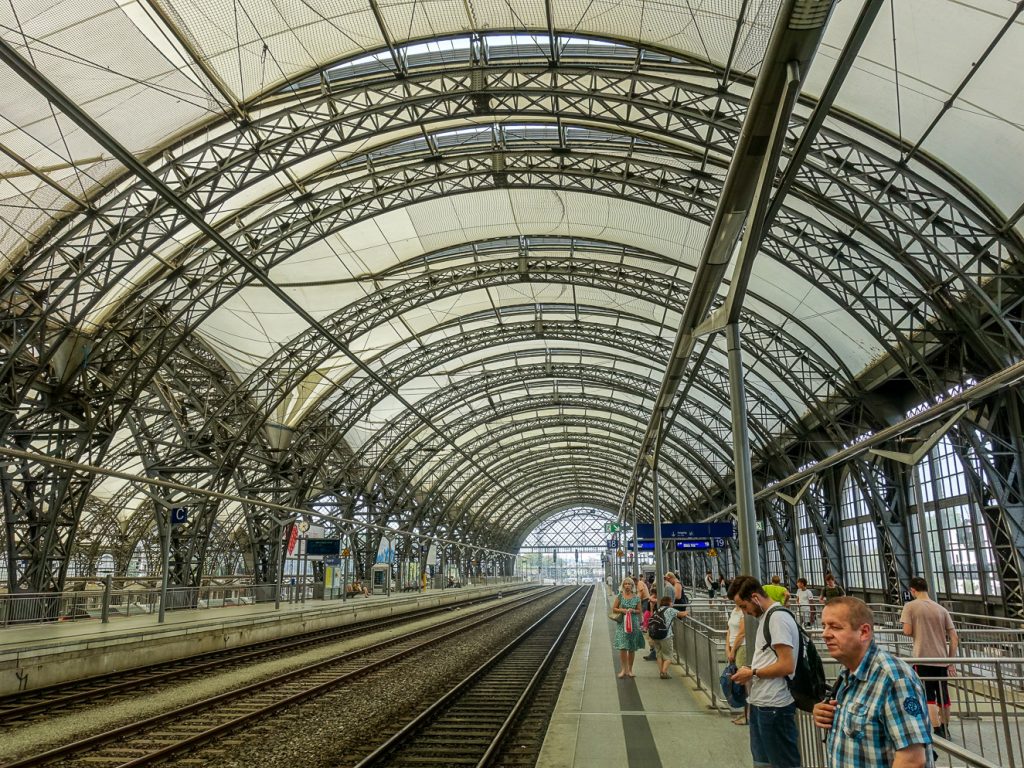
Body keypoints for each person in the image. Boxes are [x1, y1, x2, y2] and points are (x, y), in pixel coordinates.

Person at [813, 597, 932, 767]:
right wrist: (827, 713)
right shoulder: (848, 672)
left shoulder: (894, 679)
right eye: (824, 625)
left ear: (864, 632)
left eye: (835, 627)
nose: (825, 634)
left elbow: (912, 760)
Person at [728, 575, 800, 768]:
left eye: (744, 606)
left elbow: (787, 665)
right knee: (762, 763)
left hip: (775, 706)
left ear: (755, 597)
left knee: (782, 763)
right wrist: (751, 670)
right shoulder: (766, 618)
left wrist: (752, 673)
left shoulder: (777, 619)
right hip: (761, 704)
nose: (745, 612)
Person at [900, 577, 959, 739]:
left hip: (922, 658)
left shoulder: (910, 606)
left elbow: (907, 630)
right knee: (943, 695)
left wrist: (917, 630)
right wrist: (951, 661)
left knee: (928, 695)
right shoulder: (941, 609)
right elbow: (954, 638)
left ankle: (937, 729)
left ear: (912, 590)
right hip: (942, 660)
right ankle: (946, 727)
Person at [612, 577, 645, 678]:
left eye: (629, 584)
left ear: (632, 586)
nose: (627, 586)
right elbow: (614, 608)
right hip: (622, 624)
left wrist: (633, 611)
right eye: (625, 584)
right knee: (622, 647)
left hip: (633, 624)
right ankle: (623, 669)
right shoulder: (620, 596)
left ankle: (630, 669)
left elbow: (639, 610)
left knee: (631, 648)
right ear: (623, 586)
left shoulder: (636, 598)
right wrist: (622, 610)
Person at [649, 595, 684, 679]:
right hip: (666, 636)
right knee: (668, 655)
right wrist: (686, 613)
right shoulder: (670, 610)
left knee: (659, 654)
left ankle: (661, 672)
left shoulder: (658, 610)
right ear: (669, 602)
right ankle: (664, 672)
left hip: (656, 635)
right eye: (671, 602)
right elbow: (680, 614)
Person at [725, 597, 747, 725]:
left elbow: (742, 633)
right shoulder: (734, 610)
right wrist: (728, 648)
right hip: (733, 648)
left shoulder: (743, 612)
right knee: (738, 681)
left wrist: (733, 650)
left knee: (744, 682)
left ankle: (747, 714)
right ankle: (744, 711)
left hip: (741, 648)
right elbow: (729, 630)